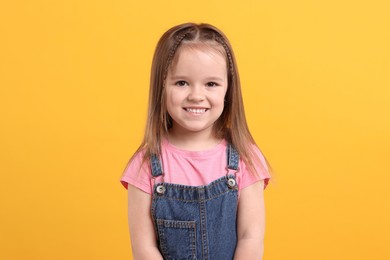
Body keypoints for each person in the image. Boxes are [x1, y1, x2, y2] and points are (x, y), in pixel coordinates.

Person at [121, 22, 271, 260]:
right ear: (162, 86)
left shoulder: (244, 157)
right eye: (182, 83)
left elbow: (250, 237)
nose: (196, 96)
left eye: (211, 84)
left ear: (228, 89)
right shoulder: (145, 165)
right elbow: (144, 248)